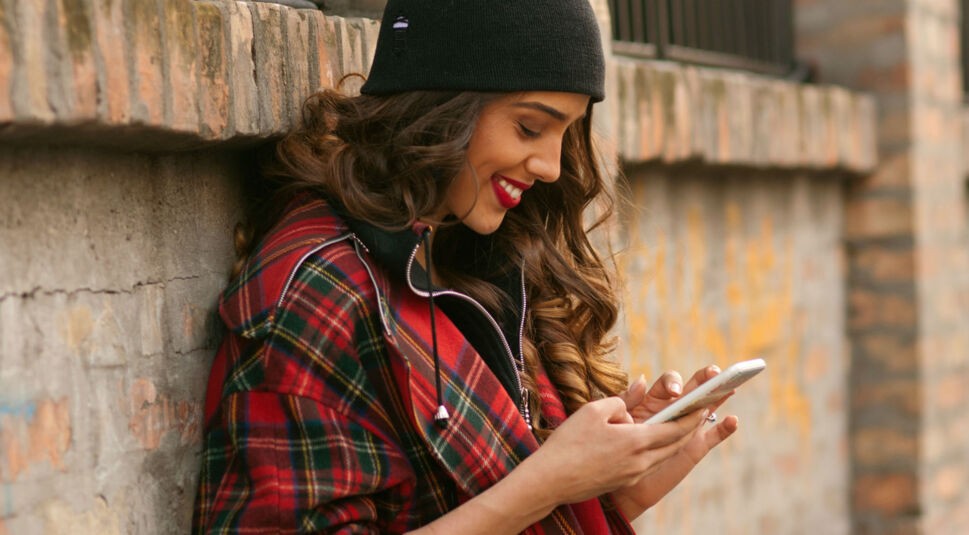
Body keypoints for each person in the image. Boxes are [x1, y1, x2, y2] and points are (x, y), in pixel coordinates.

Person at [192, 0, 739, 533]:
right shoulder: (319, 294)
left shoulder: (472, 254)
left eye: (567, 132)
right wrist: (547, 483)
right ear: (443, 106)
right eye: (530, 127)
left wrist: (609, 483)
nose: (552, 167)